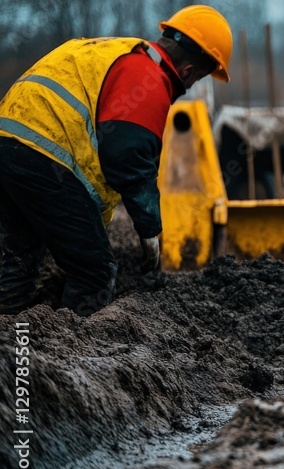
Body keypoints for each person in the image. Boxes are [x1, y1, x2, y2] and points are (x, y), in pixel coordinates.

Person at [0, 5, 232, 316]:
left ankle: (15, 340)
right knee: (94, 273)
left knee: (19, 262)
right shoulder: (148, 78)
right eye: (199, 78)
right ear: (190, 71)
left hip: (9, 144)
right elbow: (126, 157)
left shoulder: (117, 53)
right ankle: (70, 345)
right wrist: (150, 231)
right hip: (44, 157)